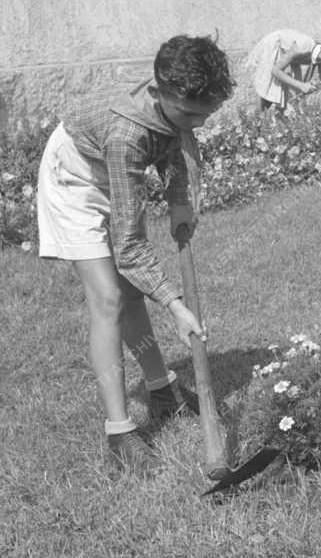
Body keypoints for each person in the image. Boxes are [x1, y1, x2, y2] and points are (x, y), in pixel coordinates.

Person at [36, 34, 234, 474]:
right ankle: (120, 432)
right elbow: (128, 248)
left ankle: (162, 390)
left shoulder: (176, 110)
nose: (198, 123)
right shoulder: (127, 134)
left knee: (131, 293)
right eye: (191, 113)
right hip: (77, 176)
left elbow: (175, 139)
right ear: (162, 90)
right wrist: (176, 305)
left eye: (208, 114)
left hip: (114, 167)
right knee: (108, 297)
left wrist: (179, 197)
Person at [245, 28, 321, 111]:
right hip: (272, 48)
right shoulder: (302, 47)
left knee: (287, 95)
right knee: (269, 91)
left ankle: (276, 123)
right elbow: (275, 71)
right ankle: (256, 124)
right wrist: (301, 85)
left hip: (286, 56)